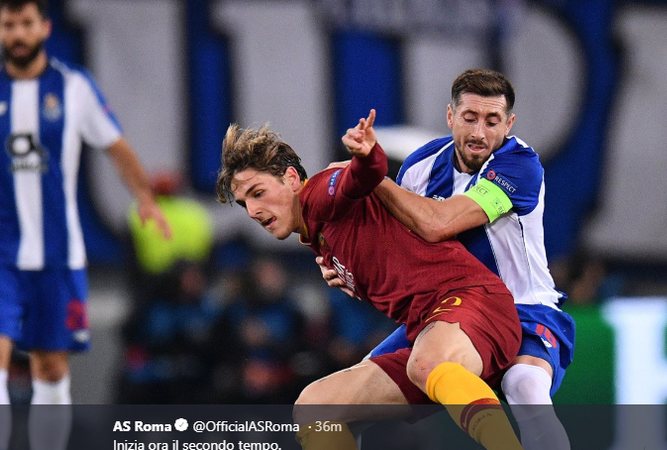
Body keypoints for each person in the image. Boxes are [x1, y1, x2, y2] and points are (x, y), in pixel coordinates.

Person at [0, 1, 171, 449]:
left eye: (26, 24)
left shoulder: (73, 88)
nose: (17, 33)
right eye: (8, 25)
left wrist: (145, 198)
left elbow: (115, 146)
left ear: (44, 28)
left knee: (51, 366)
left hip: (57, 254)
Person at [216, 110, 525, 450]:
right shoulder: (321, 237)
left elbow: (361, 175)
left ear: (291, 178)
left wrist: (366, 155)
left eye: (258, 193)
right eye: (244, 203)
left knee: (427, 362)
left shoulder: (318, 194)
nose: (252, 211)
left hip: (476, 306)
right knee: (315, 407)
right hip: (434, 334)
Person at [320, 69, 575, 450]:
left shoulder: (520, 166)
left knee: (526, 387)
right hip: (448, 312)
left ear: (509, 124)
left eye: (492, 121)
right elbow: (398, 248)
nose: (479, 133)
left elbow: (439, 223)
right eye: (469, 118)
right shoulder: (421, 167)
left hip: (525, 309)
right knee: (336, 406)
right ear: (450, 116)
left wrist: (375, 179)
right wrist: (346, 265)